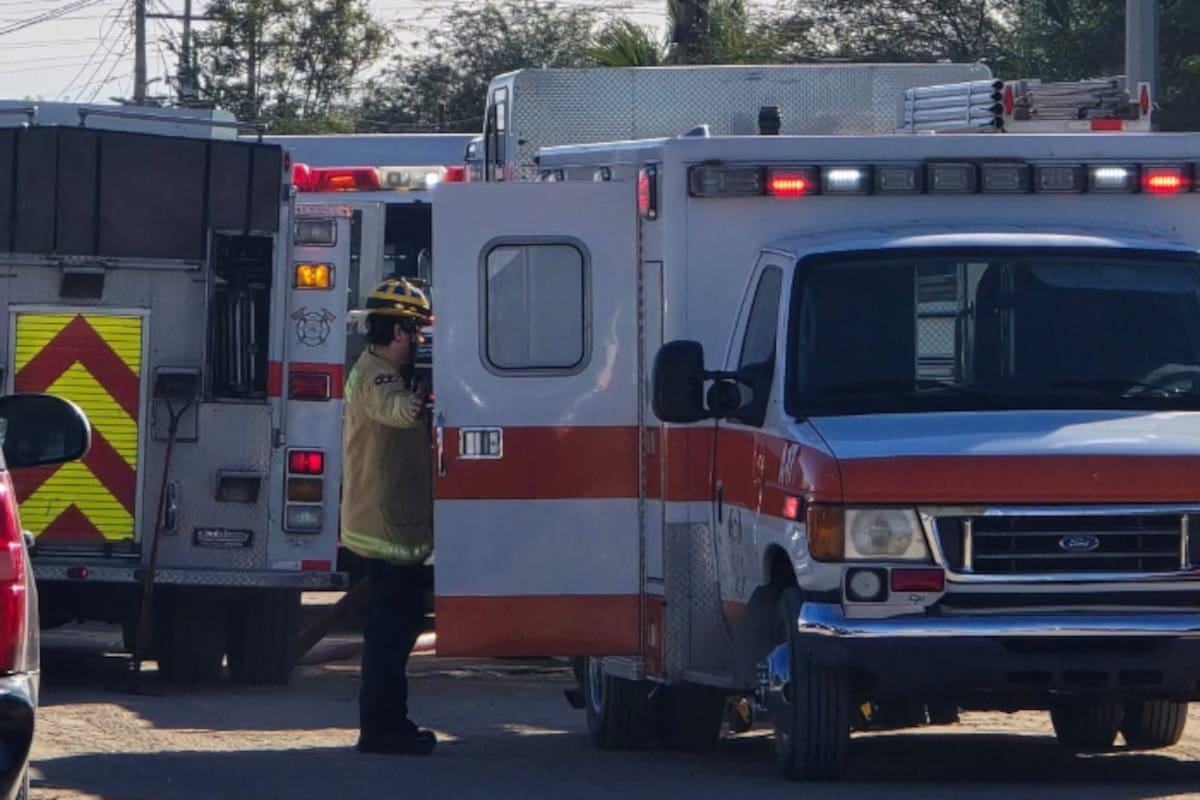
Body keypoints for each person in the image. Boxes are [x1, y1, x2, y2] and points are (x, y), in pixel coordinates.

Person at [341, 277, 436, 756]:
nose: (419, 340)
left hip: (391, 527)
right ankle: (381, 730)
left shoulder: (379, 370)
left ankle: (389, 724)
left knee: (396, 633)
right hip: (384, 533)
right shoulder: (377, 376)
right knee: (389, 640)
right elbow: (396, 410)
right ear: (397, 332)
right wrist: (419, 401)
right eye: (415, 331)